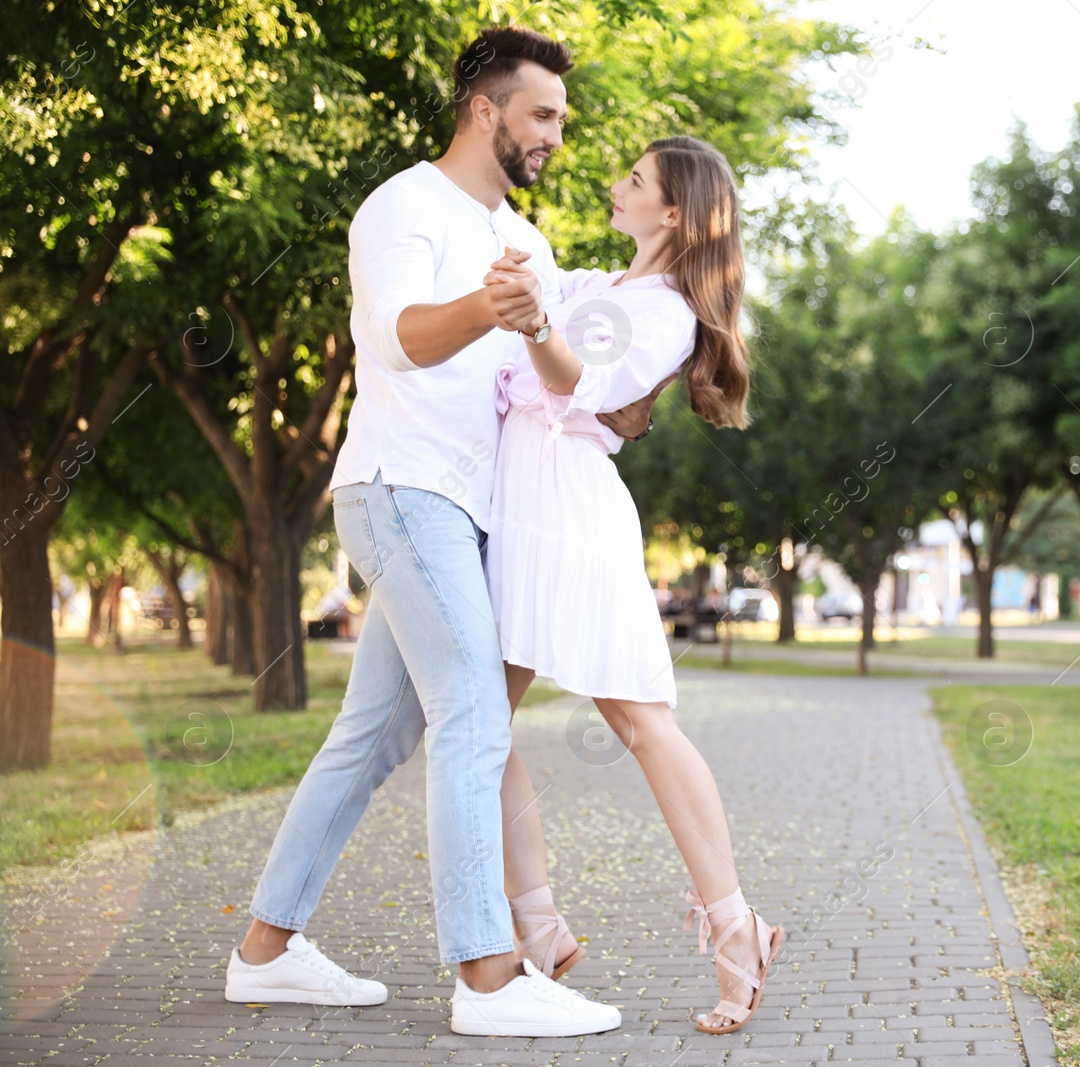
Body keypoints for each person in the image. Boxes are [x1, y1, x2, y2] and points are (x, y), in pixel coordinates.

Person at [224, 26, 666, 1039]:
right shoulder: (404, 205)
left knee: (372, 734)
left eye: (560, 116)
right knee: (473, 710)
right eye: (542, 114)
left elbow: (541, 387)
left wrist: (615, 410)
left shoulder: (533, 244)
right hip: (401, 489)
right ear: (486, 110)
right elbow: (395, 337)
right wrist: (484, 303)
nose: (555, 134)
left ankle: (268, 949)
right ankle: (488, 974)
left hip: (470, 512)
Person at [483, 135, 784, 1035]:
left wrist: (535, 325)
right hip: (523, 503)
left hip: (568, 512)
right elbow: (530, 285)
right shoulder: (596, 287)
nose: (616, 185)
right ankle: (536, 924)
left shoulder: (660, 312)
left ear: (675, 213)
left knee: (640, 721)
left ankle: (737, 926)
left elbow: (583, 382)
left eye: (635, 179)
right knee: (475, 720)